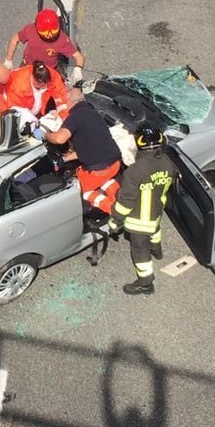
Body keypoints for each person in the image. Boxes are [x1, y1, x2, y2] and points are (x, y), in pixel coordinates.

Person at [108, 128, 174, 296]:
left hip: (139, 221)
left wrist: (115, 221)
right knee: (155, 230)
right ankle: (157, 250)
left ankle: (145, 283)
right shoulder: (168, 163)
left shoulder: (135, 171)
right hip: (157, 211)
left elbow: (126, 201)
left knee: (139, 251)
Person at [41, 89, 123, 215]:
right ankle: (122, 201)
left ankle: (115, 211)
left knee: (80, 190)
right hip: (114, 163)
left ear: (69, 102)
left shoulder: (74, 117)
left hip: (98, 169)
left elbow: (59, 138)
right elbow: (87, 147)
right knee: (104, 180)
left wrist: (45, 135)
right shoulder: (94, 114)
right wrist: (65, 159)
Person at [6, 8, 84, 77]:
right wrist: (8, 60)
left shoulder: (62, 40)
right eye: (44, 32)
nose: (49, 35)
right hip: (27, 66)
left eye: (53, 31)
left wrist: (78, 70)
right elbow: (15, 39)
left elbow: (78, 56)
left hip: (47, 73)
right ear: (37, 28)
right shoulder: (30, 30)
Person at [0, 60, 67, 118]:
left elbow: (61, 96)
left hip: (32, 111)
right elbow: (16, 112)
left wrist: (63, 117)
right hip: (5, 110)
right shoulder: (19, 86)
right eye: (43, 85)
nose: (45, 86)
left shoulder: (51, 76)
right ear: (34, 80)